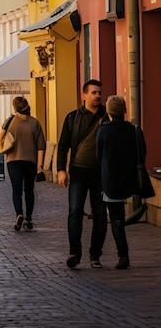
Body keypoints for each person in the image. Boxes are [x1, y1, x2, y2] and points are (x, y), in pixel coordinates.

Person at [57, 79, 107, 269]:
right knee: (75, 212)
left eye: (99, 93)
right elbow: (63, 146)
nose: (98, 96)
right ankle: (74, 253)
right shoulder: (72, 118)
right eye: (94, 93)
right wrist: (61, 170)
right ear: (84, 95)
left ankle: (95, 255)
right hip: (78, 172)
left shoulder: (107, 117)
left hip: (100, 174)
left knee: (100, 214)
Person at [96, 95, 141, 269]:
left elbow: (98, 157)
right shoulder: (134, 130)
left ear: (108, 111)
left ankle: (123, 255)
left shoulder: (104, 131)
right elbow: (141, 153)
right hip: (130, 179)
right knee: (118, 218)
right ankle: (123, 254)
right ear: (124, 110)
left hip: (110, 180)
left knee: (116, 219)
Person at [0, 97, 45, 230]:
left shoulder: (10, 121)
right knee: (29, 190)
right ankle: (28, 218)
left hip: (13, 161)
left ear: (15, 107)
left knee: (16, 191)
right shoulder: (35, 123)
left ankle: (19, 214)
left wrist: (1, 148)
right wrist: (40, 167)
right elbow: (41, 147)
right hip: (30, 162)